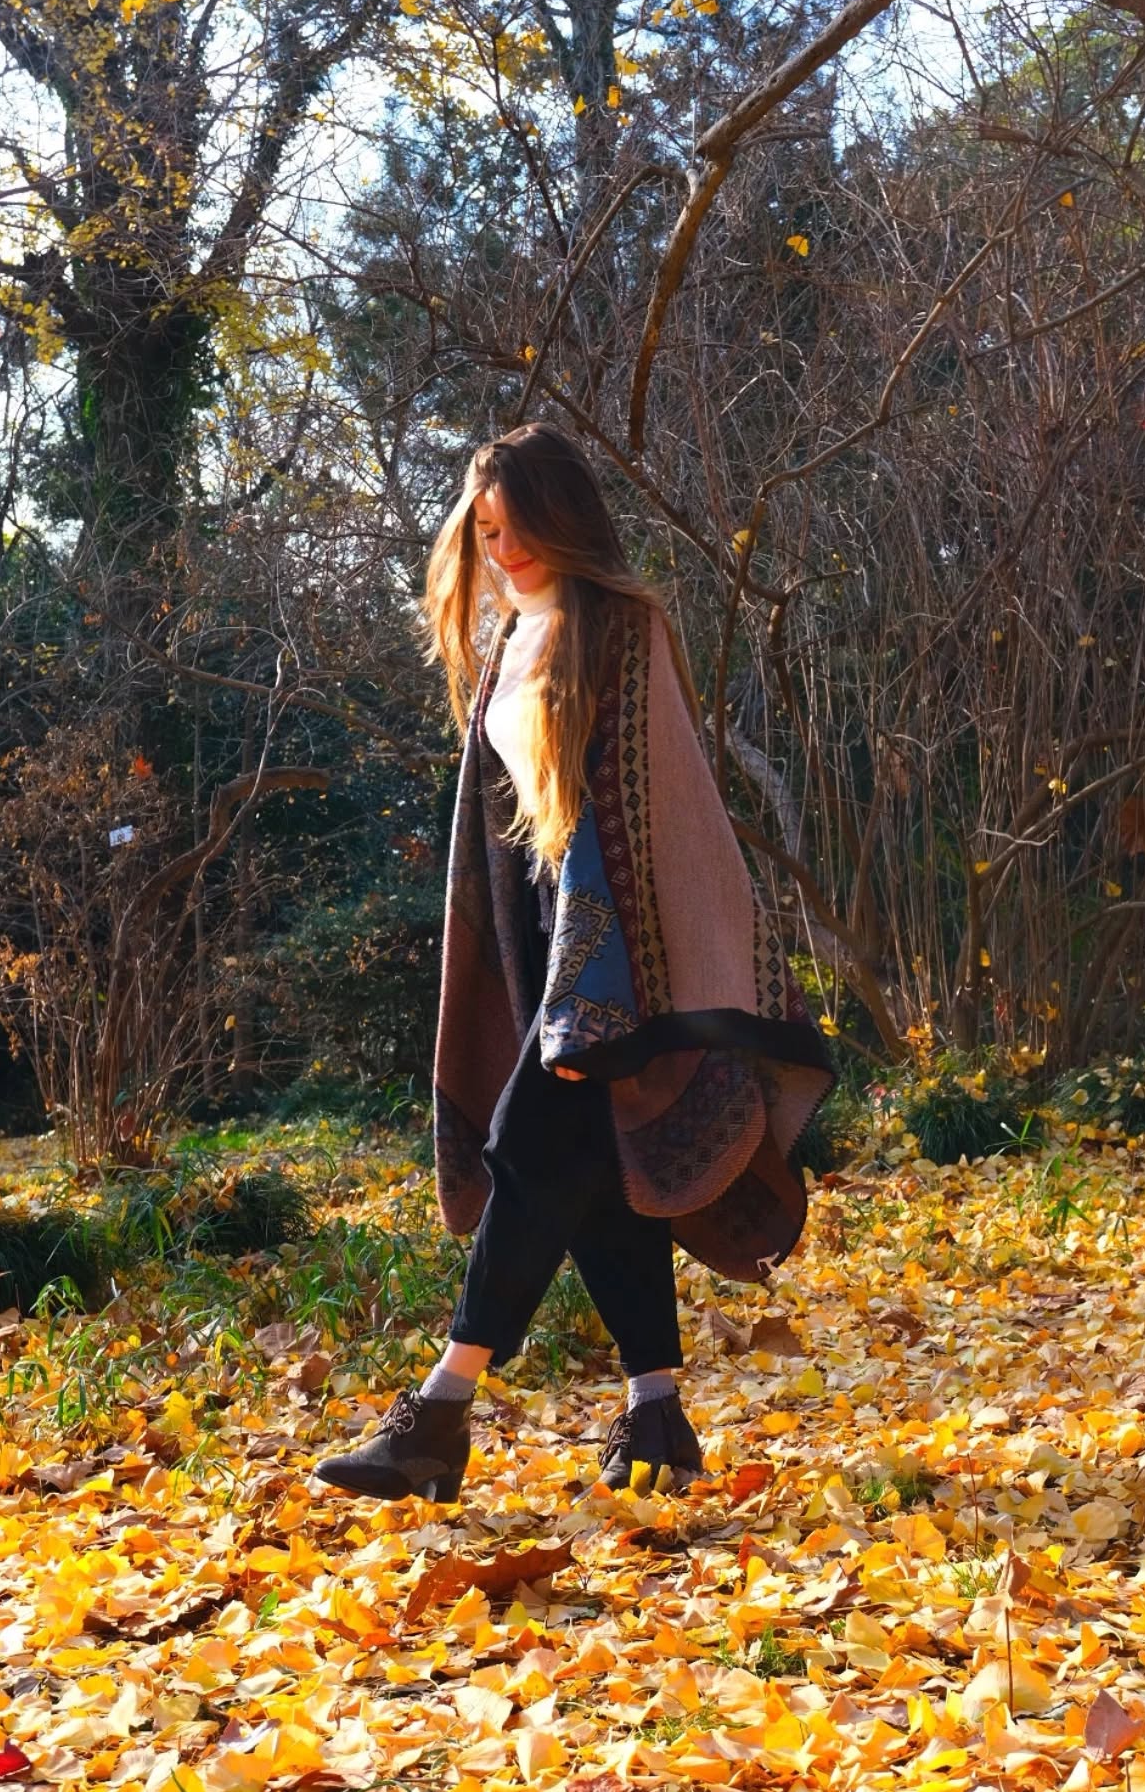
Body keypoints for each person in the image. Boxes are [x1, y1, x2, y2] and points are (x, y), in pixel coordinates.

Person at [315, 423, 835, 1504]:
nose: (501, 552)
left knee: (529, 1147)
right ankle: (658, 1411)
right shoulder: (509, 639)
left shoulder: (621, 626)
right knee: (605, 1175)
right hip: (551, 935)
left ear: (564, 517)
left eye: (518, 529)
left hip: (622, 948)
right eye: (487, 532)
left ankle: (441, 1411)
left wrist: (595, 988)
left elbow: (655, 818)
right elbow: (517, 827)